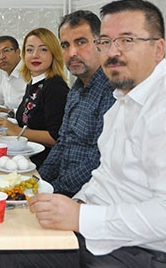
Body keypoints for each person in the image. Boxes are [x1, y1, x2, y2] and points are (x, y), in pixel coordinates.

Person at [0, 0, 166, 268]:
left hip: (149, 253)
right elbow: (104, 177)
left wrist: (80, 216)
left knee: (14, 255)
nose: (112, 52)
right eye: (106, 42)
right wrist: (70, 201)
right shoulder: (124, 101)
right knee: (9, 242)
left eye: (127, 41)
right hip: (108, 234)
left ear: (158, 48)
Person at [37, 10, 115, 198]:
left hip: (86, 197)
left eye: (81, 42)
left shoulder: (112, 92)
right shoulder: (76, 89)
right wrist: (38, 181)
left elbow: (97, 161)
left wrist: (53, 189)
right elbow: (62, 143)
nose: (72, 53)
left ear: (101, 44)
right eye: (65, 45)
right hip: (60, 187)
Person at [0, 28, 69, 167]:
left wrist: (16, 131)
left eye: (43, 49)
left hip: (42, 164)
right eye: (29, 50)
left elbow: (55, 137)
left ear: (54, 54)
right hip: (25, 154)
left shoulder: (55, 87)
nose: (35, 55)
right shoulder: (33, 82)